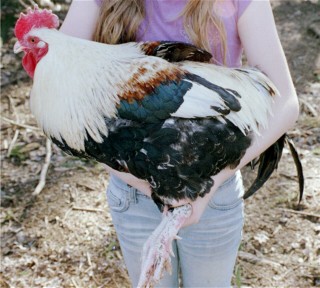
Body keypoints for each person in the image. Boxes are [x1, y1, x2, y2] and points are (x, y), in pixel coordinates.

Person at [60, 0, 299, 286]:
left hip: (213, 189)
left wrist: (202, 187)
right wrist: (153, 188)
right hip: (135, 191)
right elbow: (62, 95)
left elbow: (285, 100)